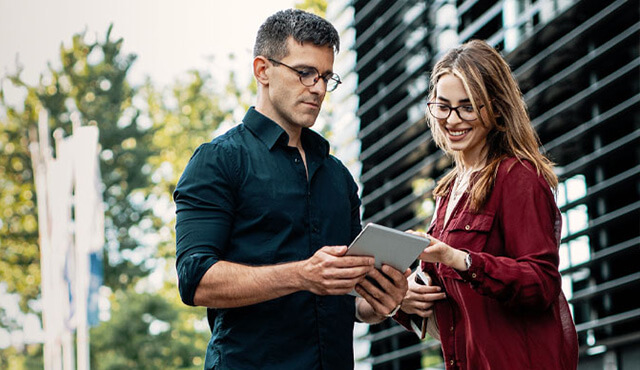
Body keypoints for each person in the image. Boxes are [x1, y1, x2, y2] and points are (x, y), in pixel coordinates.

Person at [173, 9, 408, 370]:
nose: (318, 88)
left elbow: (348, 299)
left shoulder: (338, 177)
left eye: (327, 77)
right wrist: (301, 275)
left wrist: (379, 303)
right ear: (263, 70)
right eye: (305, 73)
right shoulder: (217, 161)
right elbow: (196, 280)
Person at [394, 39, 579, 369]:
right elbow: (455, 311)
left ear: (495, 108)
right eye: (443, 106)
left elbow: (541, 283)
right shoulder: (448, 191)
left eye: (467, 107)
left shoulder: (519, 176)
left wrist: (459, 258)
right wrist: (406, 297)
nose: (452, 120)